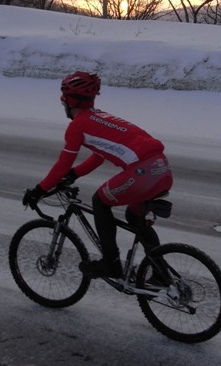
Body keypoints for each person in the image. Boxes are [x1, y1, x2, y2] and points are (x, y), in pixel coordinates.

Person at [23, 71, 173, 279]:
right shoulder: (100, 117)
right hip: (162, 168)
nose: (63, 104)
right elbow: (98, 156)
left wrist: (39, 190)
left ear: (70, 101)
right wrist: (74, 174)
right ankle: (160, 273)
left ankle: (111, 264)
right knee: (134, 217)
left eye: (63, 100)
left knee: (100, 201)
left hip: (142, 172)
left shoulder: (77, 126)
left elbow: (62, 164)